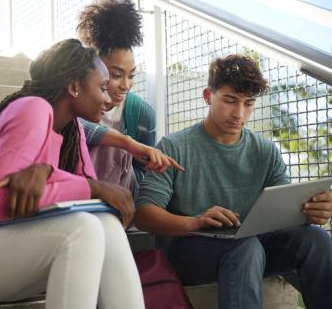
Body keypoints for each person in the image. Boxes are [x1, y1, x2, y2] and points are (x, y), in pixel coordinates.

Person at [0, 39, 145, 309]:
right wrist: (92, 188)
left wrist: (49, 173)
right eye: (102, 88)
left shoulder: (73, 131)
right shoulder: (32, 108)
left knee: (104, 223)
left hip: (7, 250)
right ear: (74, 87)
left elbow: (88, 194)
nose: (108, 100)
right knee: (81, 230)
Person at [134, 54, 332, 309]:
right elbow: (144, 214)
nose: (240, 113)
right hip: (188, 252)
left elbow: (284, 214)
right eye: (230, 101)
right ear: (208, 96)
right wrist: (195, 222)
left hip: (252, 248)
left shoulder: (265, 151)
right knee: (245, 247)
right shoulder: (174, 146)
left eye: (248, 103)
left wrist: (310, 212)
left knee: (316, 239)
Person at [77, 0, 184, 196]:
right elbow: (71, 126)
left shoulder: (141, 114)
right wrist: (125, 141)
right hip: (77, 190)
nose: (126, 85)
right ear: (92, 68)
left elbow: (142, 174)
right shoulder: (74, 98)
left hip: (122, 196)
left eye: (132, 75)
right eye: (116, 75)